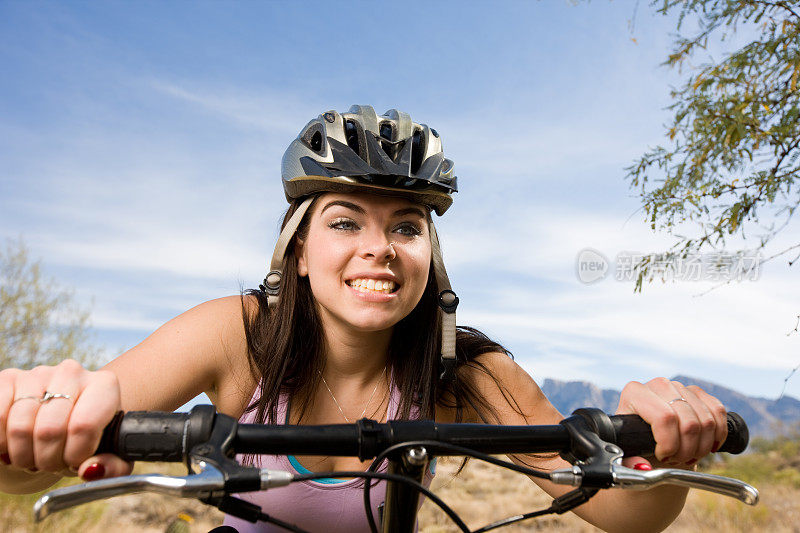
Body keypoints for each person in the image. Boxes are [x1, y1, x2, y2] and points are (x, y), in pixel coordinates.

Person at [0, 105, 729, 532]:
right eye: (346, 222)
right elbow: (40, 468)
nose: (379, 248)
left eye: (407, 227)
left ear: (428, 256)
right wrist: (36, 423)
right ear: (302, 253)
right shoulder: (235, 334)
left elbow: (623, 513)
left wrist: (664, 453)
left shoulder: (462, 369)